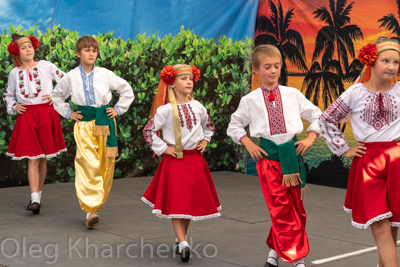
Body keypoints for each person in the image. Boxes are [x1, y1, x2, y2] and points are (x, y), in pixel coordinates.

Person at [227, 44, 322, 267]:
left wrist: (310, 137)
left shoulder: (292, 94)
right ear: (256, 70)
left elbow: (318, 116)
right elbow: (234, 126)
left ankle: (273, 254)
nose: (273, 71)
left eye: (277, 66)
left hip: (293, 160)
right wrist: (247, 141)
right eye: (267, 66)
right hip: (269, 162)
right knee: (280, 209)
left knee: (295, 209)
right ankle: (297, 258)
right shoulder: (249, 100)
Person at [319, 36, 400, 267]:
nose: (392, 67)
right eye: (386, 60)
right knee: (381, 227)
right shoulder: (355, 93)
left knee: (392, 225)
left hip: (396, 160)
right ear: (371, 61)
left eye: (396, 62)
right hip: (368, 162)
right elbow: (326, 120)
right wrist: (344, 149)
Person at [51, 36, 134, 229]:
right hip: (84, 125)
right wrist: (68, 113)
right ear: (78, 53)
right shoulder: (70, 76)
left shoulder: (105, 74)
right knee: (89, 163)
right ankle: (90, 210)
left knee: (105, 164)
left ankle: (95, 207)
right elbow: (56, 95)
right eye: (87, 50)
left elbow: (126, 89)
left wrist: (119, 109)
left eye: (94, 50)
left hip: (105, 123)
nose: (91, 54)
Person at [142, 64, 221, 262]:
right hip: (175, 161)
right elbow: (148, 131)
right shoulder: (165, 110)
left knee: (188, 204)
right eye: (183, 79)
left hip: (195, 161)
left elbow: (209, 126)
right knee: (178, 202)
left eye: (190, 79)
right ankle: (183, 242)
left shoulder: (198, 106)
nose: (188, 82)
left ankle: (181, 240)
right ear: (172, 83)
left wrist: (205, 140)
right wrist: (163, 148)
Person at [3, 33, 67, 215]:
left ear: (35, 47)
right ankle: (35, 199)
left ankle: (37, 195)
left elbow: (67, 81)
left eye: (30, 46)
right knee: (33, 157)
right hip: (27, 116)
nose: (28, 50)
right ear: (16, 53)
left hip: (46, 114)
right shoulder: (14, 73)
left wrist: (55, 96)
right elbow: (8, 95)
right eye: (23, 48)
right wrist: (14, 106)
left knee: (42, 156)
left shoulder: (46, 66)